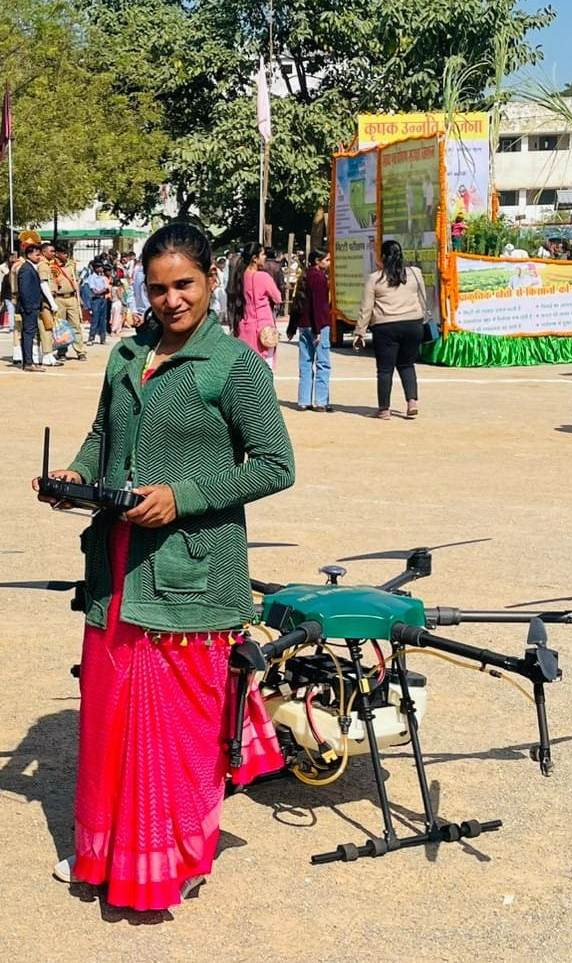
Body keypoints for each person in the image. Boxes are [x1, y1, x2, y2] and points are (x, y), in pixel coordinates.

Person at [34, 222, 295, 911]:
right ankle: (106, 852)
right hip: (117, 568)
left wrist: (183, 497)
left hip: (189, 573)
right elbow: (103, 434)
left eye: (184, 284)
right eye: (157, 288)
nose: (171, 299)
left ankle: (177, 857)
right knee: (111, 716)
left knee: (176, 728)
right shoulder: (127, 353)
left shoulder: (233, 364)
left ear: (211, 280)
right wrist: (76, 475)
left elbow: (275, 465)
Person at [354, 239, 426, 420]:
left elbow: (366, 308)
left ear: (383, 257)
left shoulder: (374, 278)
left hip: (385, 327)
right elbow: (422, 298)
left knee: (385, 370)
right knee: (407, 365)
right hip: (413, 324)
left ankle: (384, 410)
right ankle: (412, 403)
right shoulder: (415, 273)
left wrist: (360, 332)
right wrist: (420, 318)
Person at [291, 249, 332, 412]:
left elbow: (298, 303)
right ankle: (321, 401)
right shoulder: (319, 278)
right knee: (323, 363)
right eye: (327, 260)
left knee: (306, 362)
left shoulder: (305, 275)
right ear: (317, 261)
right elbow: (318, 305)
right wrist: (318, 329)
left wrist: (292, 326)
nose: (329, 263)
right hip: (318, 325)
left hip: (304, 324)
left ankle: (304, 400)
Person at [231, 241, 282, 367]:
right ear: (255, 258)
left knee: (248, 368)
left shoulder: (241, 276)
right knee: (266, 367)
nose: (265, 257)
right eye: (263, 254)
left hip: (245, 326)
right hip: (264, 329)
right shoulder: (263, 277)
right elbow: (278, 298)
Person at [52, 245, 87, 360]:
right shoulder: (52, 266)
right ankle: (62, 351)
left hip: (72, 297)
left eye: (66, 253)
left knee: (76, 325)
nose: (65, 255)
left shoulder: (71, 265)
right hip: (58, 298)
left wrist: (79, 298)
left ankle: (80, 351)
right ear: (57, 254)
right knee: (61, 326)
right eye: (63, 253)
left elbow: (75, 281)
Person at [16, 244, 46, 372]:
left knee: (29, 334)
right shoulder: (26, 269)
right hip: (29, 307)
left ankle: (29, 361)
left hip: (33, 306)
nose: (39, 257)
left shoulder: (30, 268)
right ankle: (28, 362)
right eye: (37, 254)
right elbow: (24, 290)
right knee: (28, 334)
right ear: (29, 255)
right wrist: (29, 307)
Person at [37, 241, 62, 366]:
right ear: (44, 252)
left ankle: (49, 355)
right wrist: (52, 303)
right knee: (46, 328)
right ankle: (47, 356)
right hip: (45, 302)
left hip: (48, 300)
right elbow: (44, 284)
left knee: (49, 328)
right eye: (51, 251)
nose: (54, 253)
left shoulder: (48, 264)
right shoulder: (43, 265)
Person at [86, 261, 110, 345]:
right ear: (96, 268)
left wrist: (103, 290)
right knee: (95, 319)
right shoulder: (92, 277)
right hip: (96, 300)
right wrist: (103, 290)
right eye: (100, 267)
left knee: (103, 319)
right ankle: (91, 337)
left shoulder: (102, 277)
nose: (102, 269)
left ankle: (102, 338)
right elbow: (94, 291)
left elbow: (107, 289)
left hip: (103, 299)